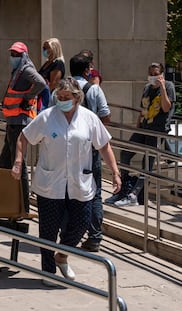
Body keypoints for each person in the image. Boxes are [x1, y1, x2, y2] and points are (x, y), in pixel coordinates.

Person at [11, 78, 121, 285]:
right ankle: (48, 271)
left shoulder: (89, 118)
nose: (62, 101)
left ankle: (61, 256)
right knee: (48, 230)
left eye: (66, 98)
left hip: (80, 183)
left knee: (82, 223)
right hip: (50, 183)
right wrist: (18, 161)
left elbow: (104, 146)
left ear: (77, 98)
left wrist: (115, 172)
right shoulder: (47, 117)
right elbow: (24, 137)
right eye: (59, 97)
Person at [106, 62, 176, 206]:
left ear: (161, 74)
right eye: (150, 73)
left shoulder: (168, 86)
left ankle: (134, 195)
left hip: (157, 130)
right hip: (143, 128)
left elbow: (166, 107)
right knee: (126, 153)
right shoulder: (147, 88)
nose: (153, 76)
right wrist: (137, 128)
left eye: (156, 73)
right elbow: (143, 110)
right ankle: (124, 188)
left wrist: (162, 87)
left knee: (147, 164)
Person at [0, 42, 46, 213]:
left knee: (18, 164)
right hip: (13, 121)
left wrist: (28, 97)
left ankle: (22, 206)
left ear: (24, 55)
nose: (13, 57)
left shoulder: (25, 69)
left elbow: (41, 83)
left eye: (17, 54)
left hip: (19, 122)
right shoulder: (18, 70)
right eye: (12, 53)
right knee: (4, 161)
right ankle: (10, 198)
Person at [70, 54, 111, 252]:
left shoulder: (61, 91)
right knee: (94, 192)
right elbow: (105, 115)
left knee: (67, 190)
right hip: (91, 149)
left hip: (68, 149)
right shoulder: (94, 89)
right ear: (87, 70)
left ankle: (67, 233)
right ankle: (94, 236)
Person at [38, 38, 65, 111]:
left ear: (54, 49)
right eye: (43, 48)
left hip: (48, 98)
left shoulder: (58, 63)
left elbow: (53, 84)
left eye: (46, 48)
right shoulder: (47, 63)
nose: (44, 50)